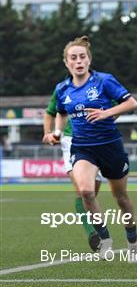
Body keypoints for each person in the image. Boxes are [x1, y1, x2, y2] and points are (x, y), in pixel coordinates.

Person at [52, 35, 137, 261]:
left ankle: (133, 241)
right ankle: (105, 239)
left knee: (120, 197)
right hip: (83, 148)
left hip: (110, 146)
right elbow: (61, 112)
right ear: (67, 62)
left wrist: (107, 113)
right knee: (86, 192)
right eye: (73, 57)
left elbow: (131, 103)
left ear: (89, 60)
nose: (78, 61)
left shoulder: (104, 81)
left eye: (82, 56)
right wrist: (57, 132)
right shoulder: (63, 89)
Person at [42, 91, 104, 251]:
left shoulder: (100, 85)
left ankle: (98, 229)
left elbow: (117, 106)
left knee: (91, 194)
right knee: (82, 191)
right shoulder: (62, 89)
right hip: (70, 141)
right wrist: (48, 133)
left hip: (96, 141)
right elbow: (50, 113)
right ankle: (92, 234)